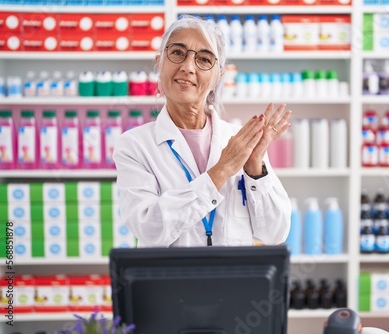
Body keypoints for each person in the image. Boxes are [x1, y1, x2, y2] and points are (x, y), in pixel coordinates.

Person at [113, 15, 292, 248]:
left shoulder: (241, 142)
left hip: (233, 281)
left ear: (218, 75)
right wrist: (221, 170)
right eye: (177, 53)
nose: (187, 67)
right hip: (171, 282)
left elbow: (275, 233)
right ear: (159, 63)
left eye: (204, 59)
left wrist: (255, 167)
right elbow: (149, 228)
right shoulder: (135, 145)